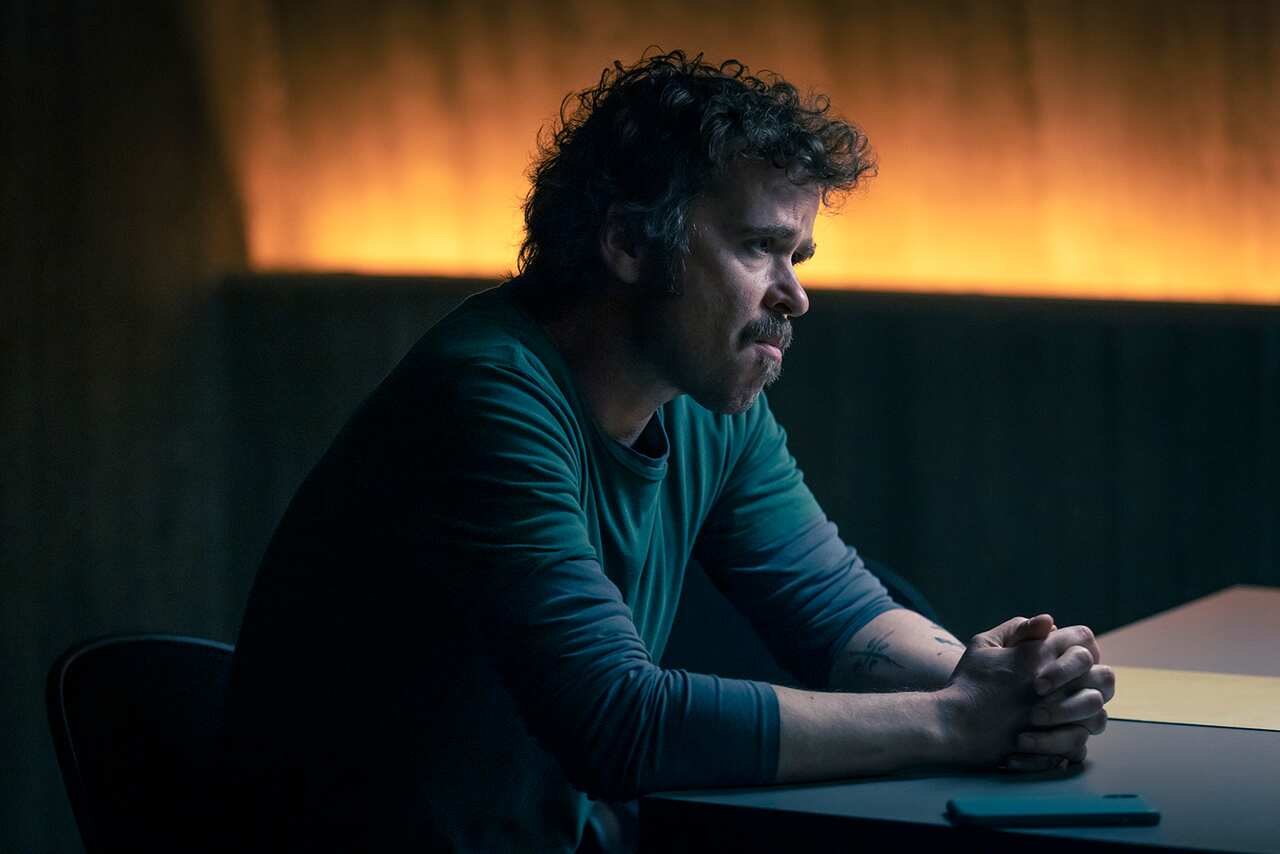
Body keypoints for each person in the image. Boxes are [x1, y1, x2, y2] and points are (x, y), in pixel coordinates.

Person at [222, 50, 1115, 853]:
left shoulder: (707, 399)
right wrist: (955, 723)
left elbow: (837, 611)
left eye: (799, 254)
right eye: (762, 247)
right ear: (627, 245)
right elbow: (618, 723)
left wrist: (998, 680)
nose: (795, 295)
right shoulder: (486, 396)